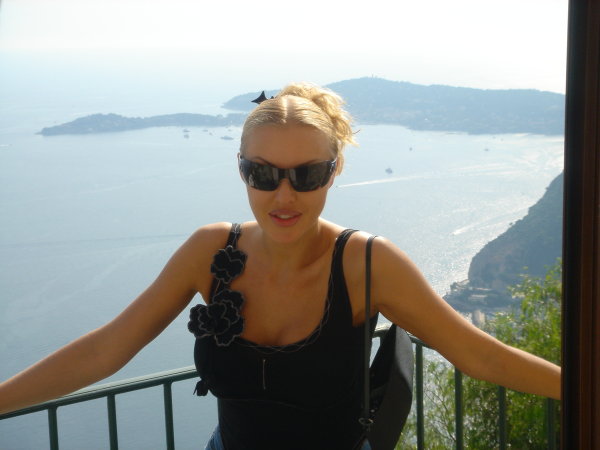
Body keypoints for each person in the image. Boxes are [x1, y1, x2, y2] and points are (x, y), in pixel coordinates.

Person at [0, 82, 561, 449]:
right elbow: (106, 349)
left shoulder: (368, 263)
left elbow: (479, 355)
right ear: (241, 170)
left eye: (308, 175)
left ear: (335, 171)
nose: (284, 196)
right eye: (264, 174)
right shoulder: (209, 252)